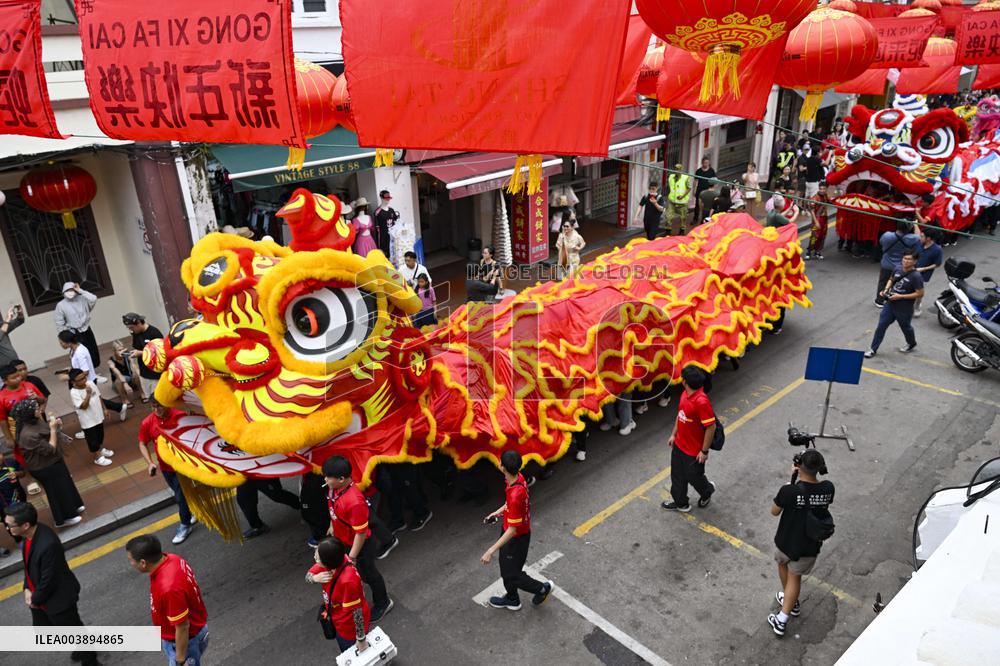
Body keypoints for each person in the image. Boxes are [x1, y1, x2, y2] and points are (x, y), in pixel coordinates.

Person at [5, 502, 99, 666]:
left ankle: (90, 660)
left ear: (25, 525)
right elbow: (29, 565)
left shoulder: (47, 544)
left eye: (10, 525)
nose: (8, 529)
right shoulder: (30, 537)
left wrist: (35, 599)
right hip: (42, 597)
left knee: (73, 630)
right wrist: (27, 587)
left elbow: (49, 579)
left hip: (57, 599)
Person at [767, 450, 835, 637]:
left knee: (784, 567)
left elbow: (774, 511)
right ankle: (791, 601)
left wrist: (788, 485)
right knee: (795, 576)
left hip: (786, 541)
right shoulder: (829, 487)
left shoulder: (789, 490)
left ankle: (782, 619)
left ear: (798, 467)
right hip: (809, 545)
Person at [322, 456, 393, 621]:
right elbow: (332, 505)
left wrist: (352, 557)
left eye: (328, 476)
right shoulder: (333, 488)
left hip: (360, 546)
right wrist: (333, 525)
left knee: (370, 574)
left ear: (341, 479)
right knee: (360, 574)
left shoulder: (354, 502)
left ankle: (383, 602)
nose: (325, 479)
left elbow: (361, 533)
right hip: (345, 540)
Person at [480, 450, 553, 610]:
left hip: (516, 538)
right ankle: (512, 598)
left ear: (503, 467)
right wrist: (498, 513)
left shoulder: (515, 494)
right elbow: (512, 505)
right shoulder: (516, 478)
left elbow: (513, 530)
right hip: (512, 531)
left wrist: (490, 550)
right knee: (507, 569)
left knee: (512, 574)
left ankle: (542, 588)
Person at [126, 534, 209, 666]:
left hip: (185, 643)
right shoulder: (173, 559)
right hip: (194, 633)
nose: (131, 563)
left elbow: (182, 627)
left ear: (143, 563)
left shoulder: (169, 589)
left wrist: (180, 660)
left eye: (131, 560)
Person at [10, 399, 84, 527]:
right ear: (30, 414)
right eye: (37, 409)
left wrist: (56, 426)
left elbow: (47, 433)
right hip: (44, 467)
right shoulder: (27, 435)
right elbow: (50, 449)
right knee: (57, 492)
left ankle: (74, 506)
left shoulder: (35, 421)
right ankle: (63, 519)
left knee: (65, 484)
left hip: (53, 462)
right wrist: (54, 429)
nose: (40, 410)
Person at [138, 400, 197, 545]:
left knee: (180, 496)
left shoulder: (180, 415)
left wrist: (192, 417)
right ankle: (191, 512)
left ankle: (185, 525)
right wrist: (150, 462)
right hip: (165, 468)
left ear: (167, 404)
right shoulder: (147, 422)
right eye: (153, 406)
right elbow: (142, 443)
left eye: (159, 405)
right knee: (181, 493)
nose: (156, 409)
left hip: (182, 466)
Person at [661, 365, 717, 513]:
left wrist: (704, 451)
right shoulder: (685, 394)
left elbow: (711, 427)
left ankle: (707, 491)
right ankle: (681, 503)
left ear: (685, 381)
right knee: (677, 476)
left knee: (694, 477)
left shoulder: (701, 402)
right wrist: (674, 434)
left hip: (694, 451)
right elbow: (680, 416)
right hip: (679, 445)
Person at [307, 538, 372, 654]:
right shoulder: (337, 558)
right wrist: (314, 578)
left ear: (327, 563)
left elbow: (357, 613)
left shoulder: (348, 581)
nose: (314, 558)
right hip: (337, 620)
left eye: (317, 558)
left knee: (353, 654)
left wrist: (361, 639)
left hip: (348, 628)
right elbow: (308, 576)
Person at [865, 250, 924, 358]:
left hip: (904, 307)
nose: (906, 261)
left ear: (915, 261)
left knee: (906, 327)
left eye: (909, 259)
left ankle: (911, 343)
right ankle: (873, 349)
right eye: (904, 258)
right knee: (881, 326)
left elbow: (920, 293)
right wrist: (886, 290)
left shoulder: (916, 276)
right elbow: (891, 280)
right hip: (890, 304)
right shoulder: (897, 268)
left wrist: (901, 296)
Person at [68, 369, 116, 467]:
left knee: (100, 435)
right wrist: (88, 394)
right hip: (88, 421)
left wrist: (105, 409)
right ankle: (98, 457)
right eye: (80, 380)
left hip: (98, 416)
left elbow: (99, 396)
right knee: (92, 440)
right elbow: (83, 406)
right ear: (73, 382)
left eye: (84, 377)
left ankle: (101, 450)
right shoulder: (74, 392)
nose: (84, 381)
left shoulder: (90, 383)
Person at [54, 282, 102, 373]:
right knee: (78, 353)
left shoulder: (82, 299)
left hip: (86, 329)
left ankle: (93, 371)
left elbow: (93, 298)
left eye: (71, 290)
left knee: (92, 350)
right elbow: (59, 322)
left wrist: (80, 290)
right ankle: (80, 373)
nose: (70, 292)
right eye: (67, 290)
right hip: (73, 332)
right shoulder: (61, 305)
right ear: (63, 292)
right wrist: (64, 336)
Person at [236, 478, 301, 540]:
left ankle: (304, 505)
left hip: (262, 471)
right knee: (243, 498)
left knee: (276, 494)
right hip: (244, 472)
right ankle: (258, 526)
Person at [875, 221, 921, 306]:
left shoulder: (887, 235)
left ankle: (880, 300)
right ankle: (892, 299)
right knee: (897, 284)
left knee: (883, 282)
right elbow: (919, 237)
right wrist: (916, 225)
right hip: (901, 266)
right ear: (909, 228)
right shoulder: (912, 238)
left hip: (886, 264)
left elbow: (881, 243)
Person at [0, 363, 46, 445]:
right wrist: (8, 438)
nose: (18, 379)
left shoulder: (29, 385)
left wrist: (36, 397)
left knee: (46, 445)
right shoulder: (2, 397)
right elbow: (2, 420)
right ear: (5, 381)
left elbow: (42, 401)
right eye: (13, 378)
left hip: (38, 424)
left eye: (18, 376)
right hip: (19, 430)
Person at [122, 313, 164, 401]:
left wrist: (141, 353)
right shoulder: (135, 333)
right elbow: (136, 348)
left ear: (138, 323)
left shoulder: (154, 332)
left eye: (132, 327)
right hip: (144, 373)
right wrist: (129, 355)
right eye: (129, 328)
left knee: (159, 399)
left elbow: (161, 352)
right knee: (150, 399)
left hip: (156, 374)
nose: (131, 330)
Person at [914, 229, 943, 317]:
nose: (920, 237)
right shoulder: (919, 244)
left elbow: (937, 264)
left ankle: (917, 307)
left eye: (922, 236)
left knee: (919, 293)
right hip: (912, 271)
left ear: (928, 238)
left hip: (924, 276)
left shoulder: (937, 249)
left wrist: (923, 269)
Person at [107, 342, 138, 407]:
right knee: (119, 380)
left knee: (137, 373)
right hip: (119, 382)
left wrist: (130, 358)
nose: (121, 352)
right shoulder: (110, 361)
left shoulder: (127, 356)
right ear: (114, 351)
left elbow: (134, 367)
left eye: (122, 349)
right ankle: (124, 399)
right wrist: (125, 383)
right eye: (119, 350)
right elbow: (117, 373)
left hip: (130, 379)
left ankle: (143, 393)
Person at [804, 183, 831, 260]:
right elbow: (812, 211)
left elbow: (831, 201)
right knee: (814, 236)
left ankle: (817, 251)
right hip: (817, 219)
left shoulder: (826, 196)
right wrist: (816, 222)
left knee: (822, 236)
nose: (822, 190)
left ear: (826, 189)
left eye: (824, 189)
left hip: (825, 219)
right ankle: (809, 252)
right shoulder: (814, 198)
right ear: (818, 189)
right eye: (821, 189)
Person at [666, 167, 692, 235]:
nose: (677, 171)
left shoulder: (686, 178)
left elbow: (689, 188)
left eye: (678, 169)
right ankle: (668, 231)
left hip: (682, 202)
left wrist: (682, 196)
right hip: (672, 200)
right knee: (668, 216)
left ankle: (682, 231)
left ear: (681, 170)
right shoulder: (671, 176)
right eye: (675, 169)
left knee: (683, 217)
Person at [373, 190, 399, 258]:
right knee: (386, 257)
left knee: (394, 256)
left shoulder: (391, 210)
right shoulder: (377, 212)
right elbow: (377, 230)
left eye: (388, 198)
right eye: (386, 199)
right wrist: (379, 245)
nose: (388, 200)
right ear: (381, 198)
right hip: (384, 239)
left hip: (393, 238)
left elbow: (396, 223)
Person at [693, 158, 717, 224]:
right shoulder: (698, 171)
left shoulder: (711, 171)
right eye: (705, 162)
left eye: (707, 162)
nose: (706, 164)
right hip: (699, 190)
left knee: (707, 205)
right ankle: (695, 218)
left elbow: (715, 181)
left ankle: (705, 218)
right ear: (702, 163)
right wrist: (694, 190)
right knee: (697, 205)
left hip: (708, 190)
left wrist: (713, 190)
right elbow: (696, 181)